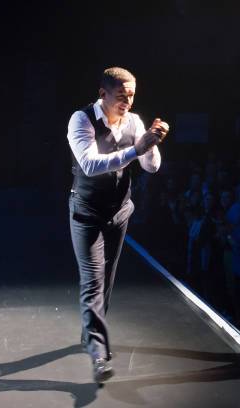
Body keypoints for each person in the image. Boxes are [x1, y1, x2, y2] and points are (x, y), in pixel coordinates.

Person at [67, 67, 169, 382]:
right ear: (103, 94)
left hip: (120, 211)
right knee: (93, 281)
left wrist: (151, 143)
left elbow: (151, 168)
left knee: (107, 280)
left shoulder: (135, 122)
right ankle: (99, 355)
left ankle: (90, 333)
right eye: (121, 96)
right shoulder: (81, 120)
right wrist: (136, 149)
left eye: (132, 96)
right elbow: (90, 164)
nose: (127, 102)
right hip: (86, 213)